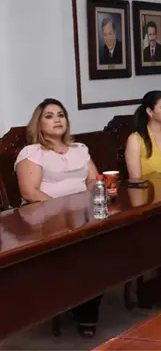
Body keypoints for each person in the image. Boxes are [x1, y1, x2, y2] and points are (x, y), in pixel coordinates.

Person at [15, 98, 102, 337]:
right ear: (39, 124)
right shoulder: (33, 152)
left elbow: (93, 180)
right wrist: (65, 210)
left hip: (83, 215)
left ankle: (84, 303)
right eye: (49, 116)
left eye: (61, 115)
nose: (57, 120)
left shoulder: (80, 149)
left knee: (105, 246)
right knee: (84, 255)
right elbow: (29, 192)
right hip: (45, 218)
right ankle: (84, 311)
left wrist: (92, 197)